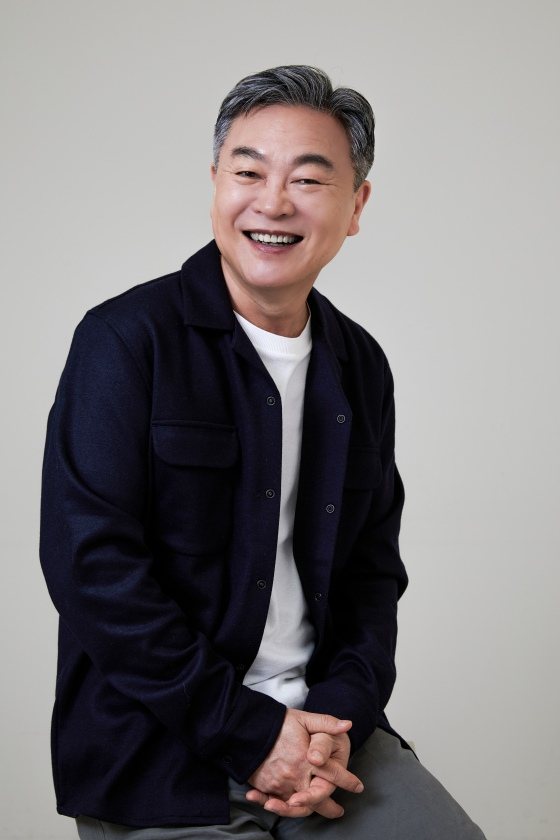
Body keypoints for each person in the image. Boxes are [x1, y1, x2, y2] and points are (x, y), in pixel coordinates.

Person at [40, 65, 486, 839]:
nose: (273, 203)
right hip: (159, 743)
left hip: (324, 732)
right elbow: (94, 571)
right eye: (248, 172)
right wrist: (249, 734)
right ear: (215, 183)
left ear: (356, 206)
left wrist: (341, 715)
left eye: (308, 179)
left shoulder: (359, 364)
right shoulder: (125, 341)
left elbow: (371, 574)